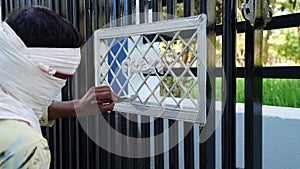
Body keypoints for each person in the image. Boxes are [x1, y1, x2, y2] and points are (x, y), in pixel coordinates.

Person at [0, 6, 116, 168]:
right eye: (59, 78)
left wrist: (76, 107)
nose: (60, 87)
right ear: (31, 70)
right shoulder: (25, 147)